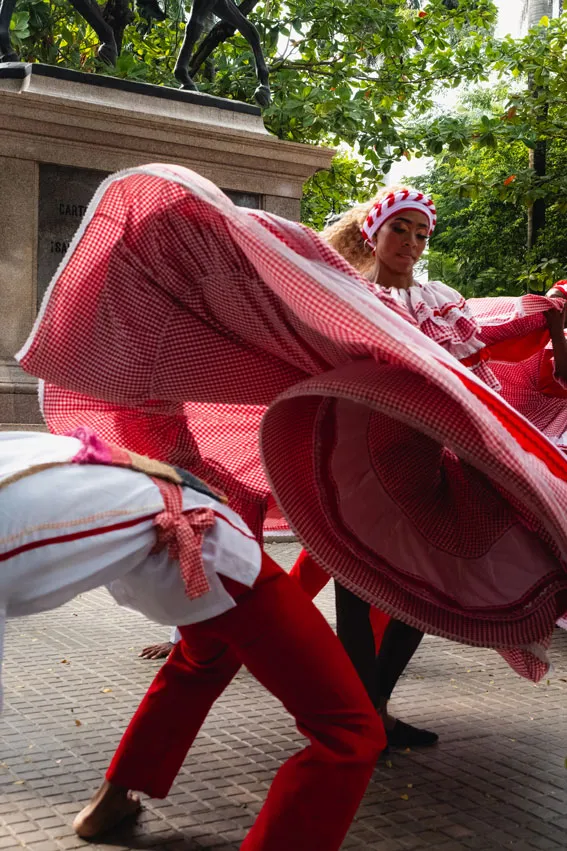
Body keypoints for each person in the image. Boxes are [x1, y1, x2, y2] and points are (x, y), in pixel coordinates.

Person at [0, 428, 383, 849]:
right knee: (350, 731)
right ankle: (109, 801)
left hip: (164, 541)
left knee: (204, 659)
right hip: (200, 544)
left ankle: (110, 802)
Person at [289, 187, 567, 747]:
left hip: (424, 459)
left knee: (427, 583)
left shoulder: (441, 300)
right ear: (374, 231)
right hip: (356, 454)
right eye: (402, 230)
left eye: (422, 234)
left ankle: (374, 708)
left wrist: (548, 315)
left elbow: (476, 363)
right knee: (356, 581)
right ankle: (363, 720)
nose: (412, 244)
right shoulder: (346, 296)